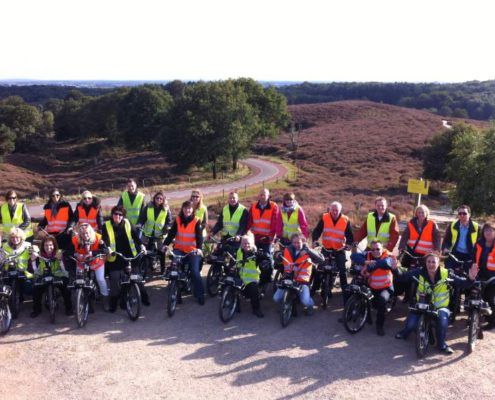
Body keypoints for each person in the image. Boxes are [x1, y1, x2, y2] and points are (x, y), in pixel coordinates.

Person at [395, 253, 477, 354]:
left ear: (439, 263)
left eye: (434, 262)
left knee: (442, 323)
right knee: (411, 325)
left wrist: (471, 278)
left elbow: (462, 283)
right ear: (425, 263)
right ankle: (405, 332)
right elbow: (402, 277)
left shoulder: (446, 273)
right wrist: (395, 269)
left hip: (440, 307)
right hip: (422, 304)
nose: (431, 264)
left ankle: (441, 344)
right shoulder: (419, 272)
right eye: (428, 262)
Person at [102, 206, 149, 312]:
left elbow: (135, 236)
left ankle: (144, 298)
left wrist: (142, 245)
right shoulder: (106, 225)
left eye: (120, 215)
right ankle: (113, 303)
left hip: (130, 254)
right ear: (112, 215)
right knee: (115, 280)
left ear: (123, 216)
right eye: (115, 214)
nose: (117, 216)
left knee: (136, 277)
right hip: (115, 256)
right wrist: (108, 248)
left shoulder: (127, 223)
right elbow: (105, 240)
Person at [163, 201, 205, 305]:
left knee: (195, 272)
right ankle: (176, 292)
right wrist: (165, 244)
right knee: (174, 269)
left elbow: (199, 237)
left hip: (192, 251)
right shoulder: (177, 220)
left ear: (193, 210)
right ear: (183, 209)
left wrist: (199, 248)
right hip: (179, 249)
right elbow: (171, 233)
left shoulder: (196, 221)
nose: (187, 210)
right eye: (186, 208)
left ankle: (200, 294)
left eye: (190, 208)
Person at [311, 201, 353, 302]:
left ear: (340, 210)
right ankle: (313, 289)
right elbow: (317, 230)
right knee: (319, 269)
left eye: (337, 210)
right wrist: (315, 240)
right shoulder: (325, 217)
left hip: (339, 249)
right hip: (326, 248)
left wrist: (349, 244)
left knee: (342, 271)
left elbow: (349, 235)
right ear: (329, 209)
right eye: (333, 210)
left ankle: (345, 295)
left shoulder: (345, 220)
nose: (334, 212)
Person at [353, 240, 397, 336]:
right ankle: (349, 315)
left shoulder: (388, 256)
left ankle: (379, 326)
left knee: (381, 301)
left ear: (382, 249)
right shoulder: (368, 254)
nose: (375, 251)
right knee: (355, 289)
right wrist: (366, 261)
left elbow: (383, 263)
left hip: (385, 287)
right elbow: (354, 256)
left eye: (378, 249)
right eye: (373, 249)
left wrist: (370, 266)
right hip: (372, 286)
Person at [273, 233, 324, 316]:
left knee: (305, 301)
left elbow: (321, 259)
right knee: (276, 298)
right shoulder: (288, 249)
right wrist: (277, 255)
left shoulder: (308, 251)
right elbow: (276, 255)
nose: (296, 244)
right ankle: (286, 304)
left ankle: (310, 306)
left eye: (298, 242)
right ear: (292, 242)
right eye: (294, 242)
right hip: (288, 278)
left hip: (302, 281)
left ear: (303, 242)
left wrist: (308, 251)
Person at [30, 236, 73, 318]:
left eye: (50, 245)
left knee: (66, 288)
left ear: (54, 245)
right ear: (43, 246)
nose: (48, 247)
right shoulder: (39, 255)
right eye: (46, 245)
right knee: (36, 289)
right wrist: (32, 260)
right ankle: (37, 310)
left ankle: (69, 308)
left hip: (58, 274)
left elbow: (65, 270)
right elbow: (35, 270)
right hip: (43, 275)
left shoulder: (59, 252)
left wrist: (60, 260)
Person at [70, 223, 110, 311]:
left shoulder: (98, 238)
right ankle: (80, 300)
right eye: (83, 233)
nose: (85, 235)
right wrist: (76, 254)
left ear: (91, 232)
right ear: (80, 234)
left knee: (100, 279)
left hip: (97, 262)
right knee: (79, 280)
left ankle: (105, 300)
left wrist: (93, 253)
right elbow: (69, 251)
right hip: (82, 262)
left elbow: (105, 250)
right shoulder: (75, 239)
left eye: (87, 233)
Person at [247, 188, 280, 285]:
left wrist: (272, 237)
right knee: (253, 258)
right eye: (261, 194)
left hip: (267, 239)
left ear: (268, 196)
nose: (262, 196)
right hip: (255, 238)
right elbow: (249, 221)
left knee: (267, 259)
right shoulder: (253, 206)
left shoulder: (274, 206)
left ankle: (267, 278)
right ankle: (251, 279)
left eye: (264, 194)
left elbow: (276, 222)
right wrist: (248, 234)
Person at [137, 191, 172, 274]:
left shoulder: (166, 209)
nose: (159, 200)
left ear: (163, 200)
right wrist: (140, 224)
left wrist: (166, 227)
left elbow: (169, 220)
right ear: (154, 199)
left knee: (162, 252)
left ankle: (163, 269)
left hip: (160, 234)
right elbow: (142, 218)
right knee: (145, 251)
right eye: (157, 198)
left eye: (161, 198)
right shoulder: (148, 207)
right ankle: (147, 267)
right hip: (147, 233)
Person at [472, 222, 495, 330]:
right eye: (486, 230)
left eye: (491, 230)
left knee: (489, 298)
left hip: (493, 275)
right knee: (476, 296)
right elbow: (473, 258)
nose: (488, 232)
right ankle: (473, 318)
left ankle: (492, 321)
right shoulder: (479, 243)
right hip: (480, 273)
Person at [235, 234, 264, 318]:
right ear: (241, 244)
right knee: (230, 283)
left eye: (248, 243)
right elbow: (237, 262)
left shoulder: (255, 252)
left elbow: (264, 258)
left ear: (252, 243)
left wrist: (262, 256)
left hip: (252, 278)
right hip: (241, 276)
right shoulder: (239, 251)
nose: (246, 245)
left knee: (253, 290)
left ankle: (256, 309)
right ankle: (234, 304)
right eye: (244, 243)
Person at [442, 205, 479, 270]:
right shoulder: (453, 225)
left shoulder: (476, 227)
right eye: (460, 213)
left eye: (464, 213)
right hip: (455, 253)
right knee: (448, 273)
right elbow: (447, 240)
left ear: (469, 215)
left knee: (469, 277)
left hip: (470, 255)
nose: (462, 215)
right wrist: (445, 248)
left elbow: (481, 242)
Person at [1, 227, 33, 301]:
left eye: (17, 237)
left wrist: (34, 249)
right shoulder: (5, 246)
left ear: (21, 237)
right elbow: (1, 256)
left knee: (28, 288)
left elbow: (35, 251)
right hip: (8, 271)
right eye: (13, 237)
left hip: (23, 272)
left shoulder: (27, 245)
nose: (15, 239)